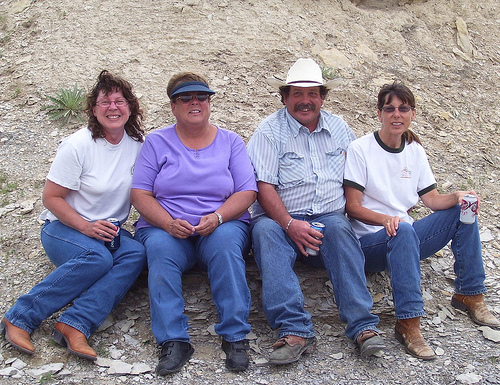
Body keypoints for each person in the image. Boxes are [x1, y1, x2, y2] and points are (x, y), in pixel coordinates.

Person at [343, 81, 500, 360]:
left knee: (462, 210)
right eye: (389, 109)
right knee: (403, 229)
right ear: (379, 113)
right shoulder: (360, 149)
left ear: (412, 113)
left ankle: (470, 294)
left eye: (403, 109)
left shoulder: (414, 149)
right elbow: (353, 207)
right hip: (370, 242)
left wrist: (458, 196)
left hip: (404, 235)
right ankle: (409, 324)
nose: (396, 115)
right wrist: (386, 220)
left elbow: (432, 200)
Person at [0, 70, 146, 361]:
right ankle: (19, 317)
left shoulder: (139, 145)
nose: (113, 108)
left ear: (130, 107)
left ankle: (74, 323)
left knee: (136, 254)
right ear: (94, 109)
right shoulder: (78, 145)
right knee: (98, 258)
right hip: (64, 227)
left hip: (109, 231)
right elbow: (51, 197)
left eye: (119, 101)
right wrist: (86, 226)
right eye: (105, 102)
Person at [246, 58, 384, 365]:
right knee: (265, 230)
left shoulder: (339, 128)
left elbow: (358, 175)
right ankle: (294, 329)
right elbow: (263, 188)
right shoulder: (268, 131)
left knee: (338, 226)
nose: (305, 101)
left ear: (323, 97)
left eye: (313, 94)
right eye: (297, 94)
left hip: (328, 217)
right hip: (280, 220)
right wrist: (289, 222)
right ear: (284, 97)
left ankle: (363, 326)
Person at [130, 72, 257, 375]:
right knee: (159, 250)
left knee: (227, 245)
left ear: (210, 102)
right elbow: (140, 193)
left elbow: (247, 191)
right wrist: (167, 222)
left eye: (201, 96)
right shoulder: (157, 142)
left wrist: (218, 217)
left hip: (221, 224)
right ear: (173, 106)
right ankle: (173, 339)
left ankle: (235, 335)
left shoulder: (230, 141)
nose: (194, 102)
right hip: (167, 228)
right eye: (185, 98)